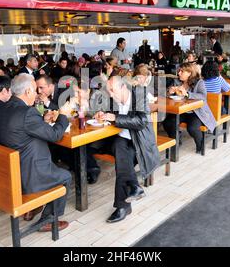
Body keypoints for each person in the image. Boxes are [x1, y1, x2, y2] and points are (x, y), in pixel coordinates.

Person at [0, 74, 72, 227]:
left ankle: (35, 207)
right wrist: (63, 115)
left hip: (12, 170)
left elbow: (21, 130)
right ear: (28, 91)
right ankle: (48, 221)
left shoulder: (3, 108)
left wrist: (41, 121)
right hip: (29, 173)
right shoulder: (27, 112)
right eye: (35, 90)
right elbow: (55, 135)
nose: (37, 93)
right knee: (65, 176)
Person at [93, 75, 159, 223]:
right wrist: (102, 114)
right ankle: (133, 187)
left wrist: (114, 118)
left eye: (112, 89)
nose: (110, 93)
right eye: (108, 90)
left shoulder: (139, 97)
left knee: (122, 156)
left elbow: (141, 122)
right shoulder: (113, 99)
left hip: (139, 145)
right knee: (119, 148)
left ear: (123, 87)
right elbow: (106, 112)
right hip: (120, 141)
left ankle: (123, 206)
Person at [163, 63, 217, 153]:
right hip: (182, 111)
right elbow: (166, 95)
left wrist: (187, 94)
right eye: (179, 71)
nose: (179, 73)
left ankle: (200, 145)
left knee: (192, 128)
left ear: (189, 73)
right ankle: (176, 141)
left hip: (196, 112)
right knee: (168, 123)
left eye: (181, 71)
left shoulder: (199, 82)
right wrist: (169, 92)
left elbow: (203, 96)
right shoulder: (177, 81)